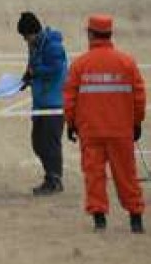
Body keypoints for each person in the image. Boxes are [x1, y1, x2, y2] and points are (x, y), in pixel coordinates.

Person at [64, 14, 146, 234]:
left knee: (94, 176)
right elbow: (139, 97)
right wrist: (136, 122)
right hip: (121, 131)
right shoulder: (127, 62)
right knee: (127, 176)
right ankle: (136, 219)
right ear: (110, 34)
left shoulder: (80, 64)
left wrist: (71, 124)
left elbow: (70, 98)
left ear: (91, 34)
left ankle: (99, 219)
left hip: (90, 132)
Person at [16, 11, 68, 195]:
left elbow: (55, 69)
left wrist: (35, 72)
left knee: (50, 143)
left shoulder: (53, 46)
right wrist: (26, 78)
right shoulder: (34, 45)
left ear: (34, 32)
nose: (25, 40)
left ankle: (55, 180)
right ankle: (50, 176)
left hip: (54, 103)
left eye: (25, 36)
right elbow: (33, 67)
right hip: (40, 103)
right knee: (38, 142)